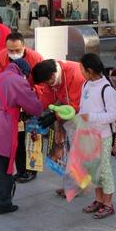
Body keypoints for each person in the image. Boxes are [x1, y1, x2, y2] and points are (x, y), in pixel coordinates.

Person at [0, 59, 43, 214]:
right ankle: (4, 204)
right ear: (24, 72)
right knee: (4, 169)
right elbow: (34, 107)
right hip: (1, 128)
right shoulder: (18, 81)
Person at [33, 58, 86, 197]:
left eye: (47, 82)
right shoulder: (52, 74)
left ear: (52, 76)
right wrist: (37, 110)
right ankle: (71, 184)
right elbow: (47, 96)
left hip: (81, 115)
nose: (47, 85)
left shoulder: (75, 74)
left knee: (76, 152)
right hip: (66, 114)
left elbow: (76, 105)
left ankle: (75, 186)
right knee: (68, 150)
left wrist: (54, 116)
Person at [0, 32, 43, 183]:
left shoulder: (35, 58)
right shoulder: (2, 57)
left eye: (17, 50)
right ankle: (21, 169)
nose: (14, 53)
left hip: (31, 101)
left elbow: (42, 85)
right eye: (11, 50)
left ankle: (32, 169)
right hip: (13, 105)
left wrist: (30, 99)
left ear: (24, 46)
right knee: (16, 138)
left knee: (33, 137)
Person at [78, 53, 116, 219]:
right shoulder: (86, 85)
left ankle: (108, 204)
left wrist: (91, 117)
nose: (80, 71)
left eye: (81, 68)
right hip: (88, 135)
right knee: (93, 170)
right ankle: (99, 199)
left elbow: (113, 115)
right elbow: (82, 107)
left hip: (103, 136)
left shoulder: (107, 89)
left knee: (104, 170)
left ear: (89, 70)